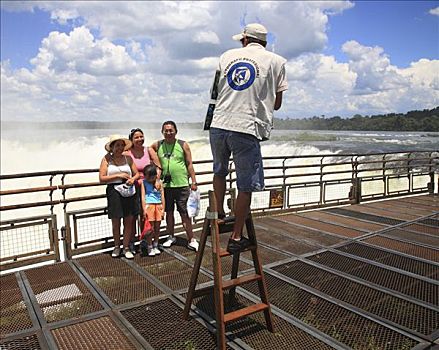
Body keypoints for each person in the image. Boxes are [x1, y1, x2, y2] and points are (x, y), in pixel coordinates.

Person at [208, 23, 288, 253]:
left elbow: (215, 92)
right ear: (264, 42)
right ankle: (235, 237)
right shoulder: (277, 61)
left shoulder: (226, 56)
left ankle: (219, 212)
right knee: (246, 185)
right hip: (246, 126)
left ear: (245, 40)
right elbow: (277, 103)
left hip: (219, 123)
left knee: (219, 170)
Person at [151, 121, 199, 251]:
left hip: (182, 184)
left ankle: (191, 239)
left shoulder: (183, 145)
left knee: (185, 213)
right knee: (169, 213)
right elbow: (148, 151)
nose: (168, 133)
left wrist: (193, 181)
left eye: (171, 130)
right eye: (166, 130)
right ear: (162, 132)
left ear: (176, 131)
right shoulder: (158, 145)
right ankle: (171, 236)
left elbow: (189, 164)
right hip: (165, 186)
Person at [99, 135, 140, 259]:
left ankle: (126, 247)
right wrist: (119, 175)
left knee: (128, 220)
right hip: (114, 191)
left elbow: (137, 173)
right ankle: (117, 246)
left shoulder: (128, 158)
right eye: (117, 145)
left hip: (129, 189)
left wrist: (133, 179)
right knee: (116, 221)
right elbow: (102, 178)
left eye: (122, 145)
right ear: (111, 147)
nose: (120, 148)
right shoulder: (106, 159)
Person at [124, 128, 161, 254]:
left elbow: (158, 166)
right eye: (136, 137)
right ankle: (132, 242)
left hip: (149, 188)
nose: (139, 139)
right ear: (131, 140)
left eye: (141, 136)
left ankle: (146, 241)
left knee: (146, 216)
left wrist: (156, 180)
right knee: (134, 215)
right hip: (134, 188)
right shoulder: (128, 153)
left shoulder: (148, 150)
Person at [140, 164, 165, 256]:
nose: (147, 178)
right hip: (149, 205)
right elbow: (143, 196)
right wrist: (144, 209)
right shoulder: (144, 183)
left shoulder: (159, 183)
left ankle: (156, 244)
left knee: (157, 227)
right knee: (150, 228)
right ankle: (149, 246)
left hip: (158, 205)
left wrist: (163, 209)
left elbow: (162, 196)